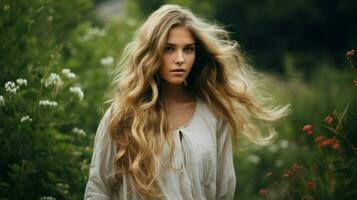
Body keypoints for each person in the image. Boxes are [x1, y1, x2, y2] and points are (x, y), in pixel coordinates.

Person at [84, 4, 290, 200]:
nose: (180, 59)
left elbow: (223, 192)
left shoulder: (214, 115)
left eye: (188, 49)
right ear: (152, 52)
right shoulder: (123, 115)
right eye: (169, 49)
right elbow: (97, 188)